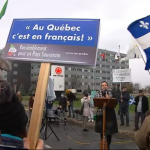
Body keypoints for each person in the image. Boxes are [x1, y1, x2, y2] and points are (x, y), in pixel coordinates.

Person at [94, 81, 118, 149]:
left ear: (107, 86)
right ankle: (102, 142)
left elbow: (115, 102)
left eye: (105, 85)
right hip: (101, 114)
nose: (104, 86)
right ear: (101, 86)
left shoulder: (111, 93)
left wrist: (109, 98)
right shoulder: (98, 93)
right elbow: (95, 102)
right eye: (103, 85)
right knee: (102, 130)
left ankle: (108, 144)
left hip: (109, 114)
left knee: (109, 131)